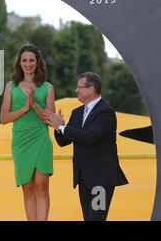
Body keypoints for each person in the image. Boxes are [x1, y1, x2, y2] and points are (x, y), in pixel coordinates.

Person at [44, 72, 128, 221]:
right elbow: (64, 141)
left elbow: (90, 137)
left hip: (101, 180)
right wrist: (59, 128)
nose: (76, 90)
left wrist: (62, 128)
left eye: (79, 87)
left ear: (91, 89)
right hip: (83, 178)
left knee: (96, 219)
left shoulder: (105, 112)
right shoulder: (77, 113)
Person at [0, 44, 55, 221]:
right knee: (28, 188)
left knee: (41, 186)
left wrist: (34, 105)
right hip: (21, 141)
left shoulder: (48, 87)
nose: (28, 64)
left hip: (41, 139)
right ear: (19, 62)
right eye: (24, 60)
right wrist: (24, 108)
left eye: (32, 60)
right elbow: (3, 118)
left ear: (38, 62)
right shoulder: (11, 86)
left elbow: (51, 120)